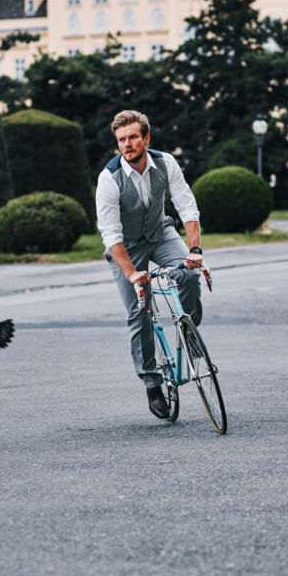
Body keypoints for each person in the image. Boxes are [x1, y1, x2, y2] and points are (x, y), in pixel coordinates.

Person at [95, 110, 203, 419]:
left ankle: (190, 333)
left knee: (189, 276)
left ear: (146, 138)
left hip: (161, 233)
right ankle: (152, 384)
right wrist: (132, 274)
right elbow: (111, 234)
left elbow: (186, 204)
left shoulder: (166, 163)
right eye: (121, 140)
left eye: (132, 137)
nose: (126, 144)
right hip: (125, 249)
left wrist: (194, 249)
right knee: (138, 312)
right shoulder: (109, 179)